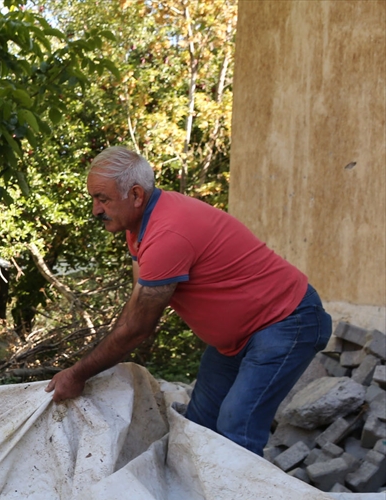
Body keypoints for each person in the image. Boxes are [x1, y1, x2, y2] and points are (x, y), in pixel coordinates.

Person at [45, 146, 332, 455]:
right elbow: (137, 305)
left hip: (288, 321)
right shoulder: (138, 227)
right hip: (238, 338)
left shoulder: (168, 232)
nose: (95, 210)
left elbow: (138, 328)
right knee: (200, 424)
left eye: (103, 199)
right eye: (93, 199)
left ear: (137, 195)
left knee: (237, 425)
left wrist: (77, 375)